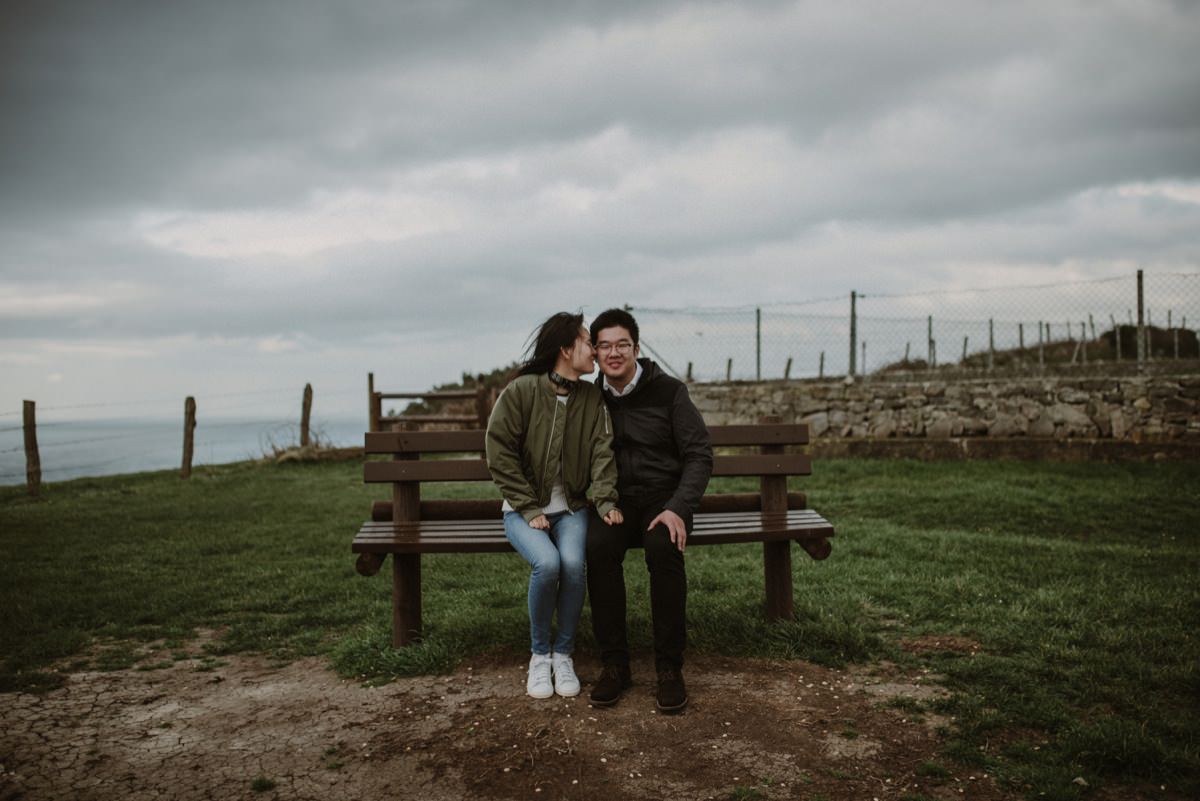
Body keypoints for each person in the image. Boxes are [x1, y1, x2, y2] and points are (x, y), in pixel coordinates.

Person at [485, 312, 623, 699]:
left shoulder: (592, 397)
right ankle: (539, 656)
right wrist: (530, 507)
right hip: (522, 510)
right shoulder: (522, 391)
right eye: (587, 341)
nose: (595, 350)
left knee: (574, 568)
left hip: (573, 509)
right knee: (547, 566)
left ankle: (564, 654)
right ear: (566, 349)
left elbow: (602, 453)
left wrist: (605, 499)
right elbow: (499, 452)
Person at [585, 307, 713, 713]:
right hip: (616, 502)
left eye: (622, 344)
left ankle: (669, 669)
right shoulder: (591, 399)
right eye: (604, 345)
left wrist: (678, 508)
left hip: (663, 499)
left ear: (637, 348)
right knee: (599, 547)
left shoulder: (670, 391)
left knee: (663, 548)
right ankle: (615, 666)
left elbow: (699, 454)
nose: (614, 353)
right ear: (595, 352)